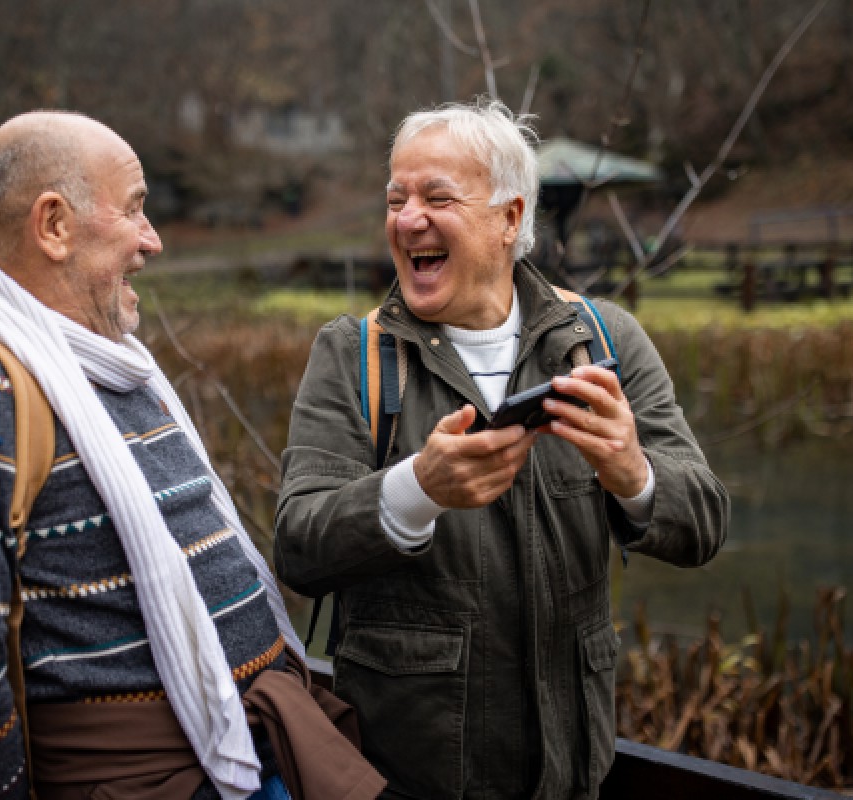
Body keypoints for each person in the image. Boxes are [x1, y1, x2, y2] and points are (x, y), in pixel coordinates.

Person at [0, 111, 384, 800]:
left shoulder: (111, 370)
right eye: (136, 210)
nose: (154, 241)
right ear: (53, 226)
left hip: (251, 752)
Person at [274, 99, 729, 799]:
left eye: (437, 197)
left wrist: (631, 472)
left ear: (510, 218)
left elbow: (704, 526)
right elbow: (299, 548)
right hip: (403, 782)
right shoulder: (352, 354)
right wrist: (417, 489)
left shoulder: (604, 341)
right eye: (396, 199)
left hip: (572, 777)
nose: (407, 218)